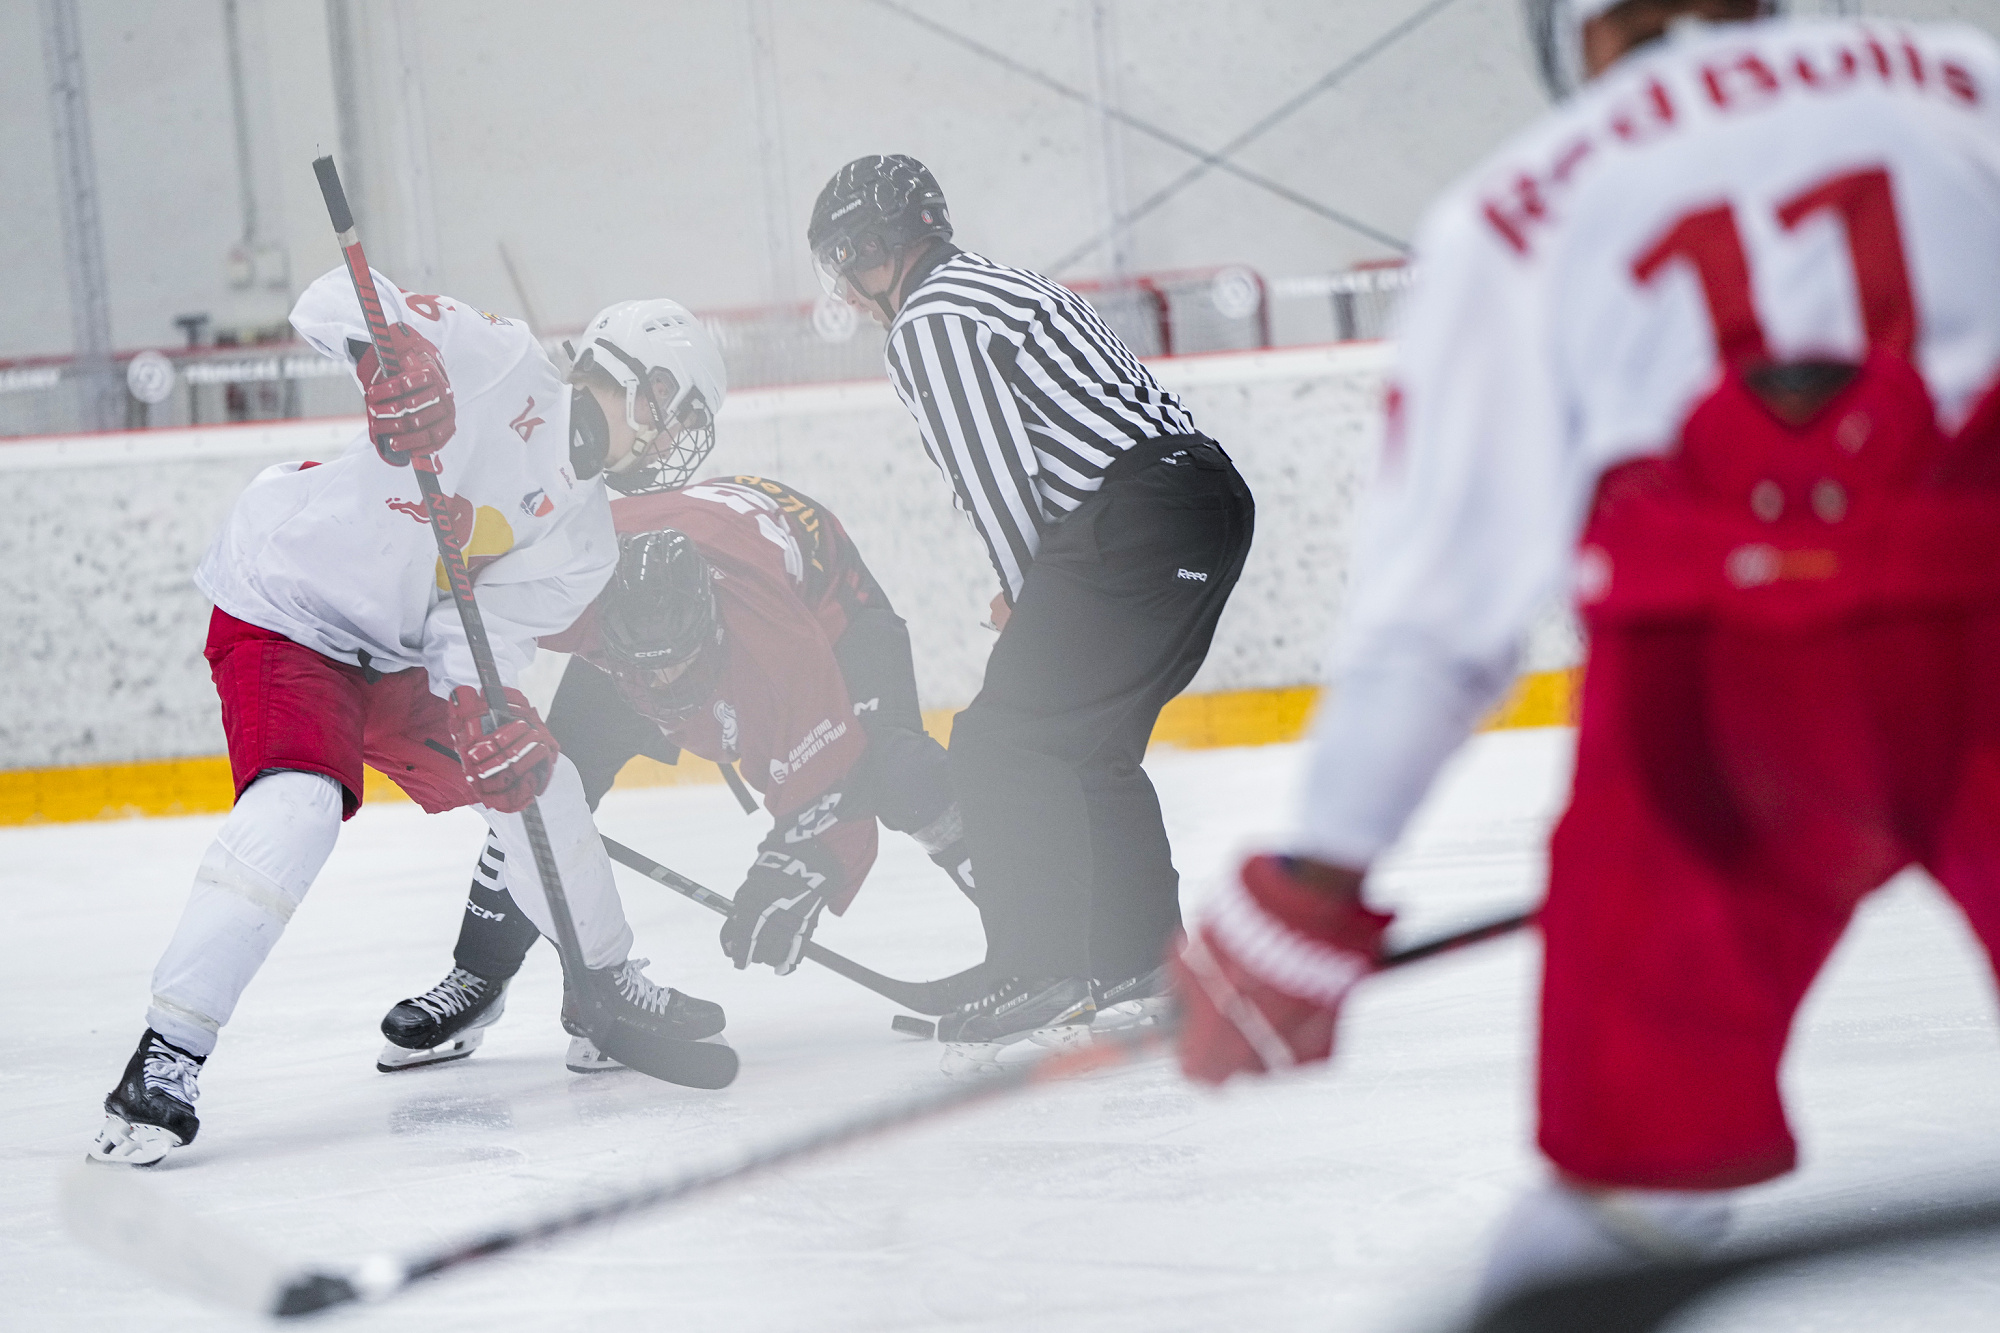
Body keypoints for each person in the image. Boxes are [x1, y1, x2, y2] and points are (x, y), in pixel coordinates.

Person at [1169, 0, 2000, 1307]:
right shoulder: (1958, 84)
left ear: (1577, 35)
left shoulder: (1513, 213)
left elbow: (1438, 610)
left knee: (1631, 1181)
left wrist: (1311, 887)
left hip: (1713, 707)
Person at [89, 279, 729, 1165]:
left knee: (539, 778)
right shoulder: (500, 360)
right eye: (670, 406)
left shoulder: (586, 543)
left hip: (396, 655)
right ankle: (166, 1055)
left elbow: (476, 635)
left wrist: (480, 710)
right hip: (291, 605)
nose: (669, 435)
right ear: (626, 374)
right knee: (301, 806)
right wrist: (389, 356)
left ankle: (605, 981)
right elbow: (329, 299)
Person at [806, 155, 1256, 1070]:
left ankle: (1038, 969)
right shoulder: (1007, 284)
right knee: (1087, 746)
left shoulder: (930, 321)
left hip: (1135, 519)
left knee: (1000, 741)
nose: (845, 289)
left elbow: (995, 477)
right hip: (1205, 504)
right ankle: (1142, 963)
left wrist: (1026, 592)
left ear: (872, 246)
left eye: (843, 261)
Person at [377, 473, 990, 1074]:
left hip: (825, 601)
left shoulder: (774, 640)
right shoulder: (573, 589)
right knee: (533, 784)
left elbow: (829, 778)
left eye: (677, 666)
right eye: (646, 671)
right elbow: (442, 599)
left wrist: (802, 867)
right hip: (643, 615)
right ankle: (480, 976)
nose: (663, 685)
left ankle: (1033, 949)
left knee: (895, 766)